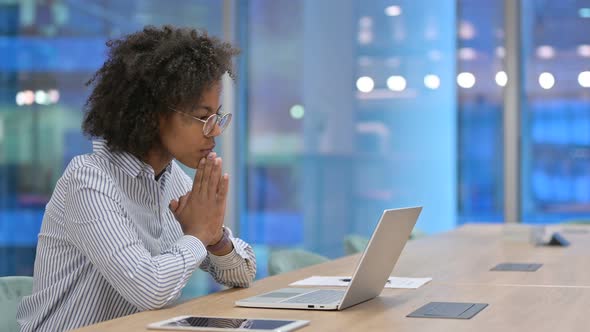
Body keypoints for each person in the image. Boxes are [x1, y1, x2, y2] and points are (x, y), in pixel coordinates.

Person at [17, 25, 256, 331]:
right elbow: (149, 289)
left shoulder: (173, 180)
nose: (216, 130)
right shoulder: (89, 180)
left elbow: (244, 273)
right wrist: (197, 236)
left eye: (217, 116)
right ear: (154, 113)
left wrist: (217, 239)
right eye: (202, 117)